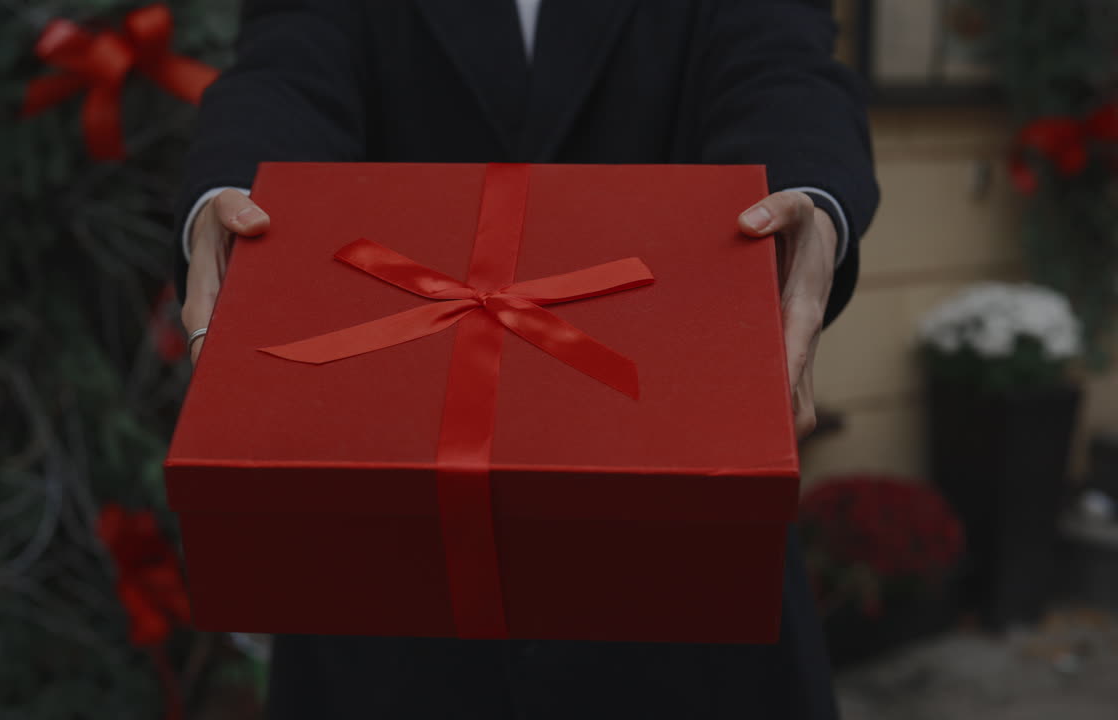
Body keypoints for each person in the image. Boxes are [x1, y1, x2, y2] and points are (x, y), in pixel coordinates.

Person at [175, 1, 878, 718]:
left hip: (684, 568)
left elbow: (782, 72)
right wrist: (229, 196)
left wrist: (808, 201)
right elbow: (286, 74)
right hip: (384, 573)